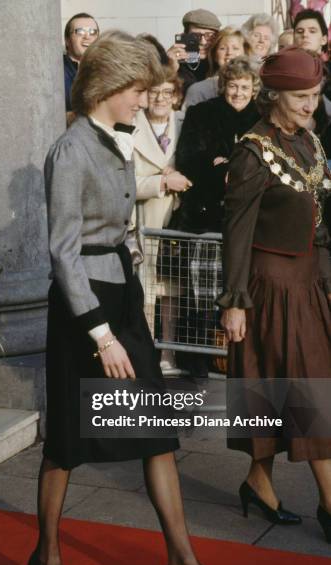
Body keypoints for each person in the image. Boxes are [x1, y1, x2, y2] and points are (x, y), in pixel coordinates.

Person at [30, 33, 244, 565]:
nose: (143, 101)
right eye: (137, 91)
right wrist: (101, 335)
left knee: (155, 431)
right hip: (85, 307)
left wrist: (125, 302)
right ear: (109, 86)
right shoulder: (71, 150)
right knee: (70, 441)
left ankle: (183, 561)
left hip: (121, 293)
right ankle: (46, 557)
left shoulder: (117, 137)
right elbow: (63, 253)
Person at [218, 46, 331, 543]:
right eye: (302, 96)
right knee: (309, 392)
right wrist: (235, 301)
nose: (311, 104)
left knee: (277, 387)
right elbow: (236, 232)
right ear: (276, 95)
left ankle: (258, 484)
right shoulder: (252, 150)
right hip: (269, 287)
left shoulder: (309, 142)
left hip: (310, 282)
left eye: (316, 94)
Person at [175, 56, 260, 379]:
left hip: (249, 221)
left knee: (245, 295)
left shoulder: (261, 117)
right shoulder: (202, 114)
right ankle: (199, 363)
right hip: (206, 217)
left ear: (255, 89)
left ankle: (239, 360)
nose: (239, 92)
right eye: (233, 86)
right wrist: (224, 171)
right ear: (223, 85)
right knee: (203, 295)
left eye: (245, 86)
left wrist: (224, 165)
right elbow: (190, 160)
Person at [133, 65, 190, 371]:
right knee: (145, 290)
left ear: (175, 96)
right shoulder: (131, 126)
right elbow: (126, 182)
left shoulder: (185, 124)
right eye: (153, 92)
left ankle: (168, 353)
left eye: (166, 92)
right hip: (144, 220)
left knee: (172, 289)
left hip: (176, 220)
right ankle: (145, 355)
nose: (160, 98)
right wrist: (162, 182)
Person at [183, 27, 252, 110]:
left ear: (245, 53)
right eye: (223, 48)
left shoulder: (256, 85)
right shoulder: (198, 90)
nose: (229, 52)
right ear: (215, 55)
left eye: (235, 48)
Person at [167, 9, 221, 94]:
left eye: (210, 36)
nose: (203, 42)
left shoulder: (222, 61)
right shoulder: (175, 60)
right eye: (196, 36)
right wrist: (168, 70)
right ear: (184, 36)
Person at [63, 13, 99, 112]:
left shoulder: (106, 69)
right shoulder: (57, 69)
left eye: (93, 32)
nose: (87, 37)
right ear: (67, 40)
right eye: (80, 32)